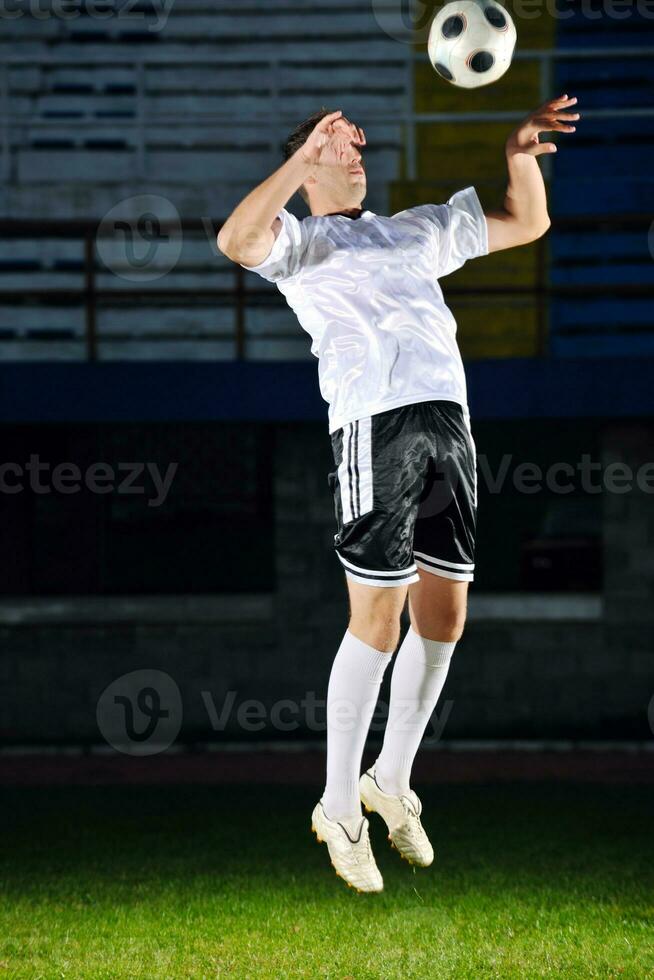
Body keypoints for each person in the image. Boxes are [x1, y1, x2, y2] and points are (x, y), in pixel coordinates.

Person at [217, 95, 579, 893]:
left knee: (444, 618)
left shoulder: (414, 226)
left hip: (449, 422)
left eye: (354, 142)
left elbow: (527, 222)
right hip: (372, 428)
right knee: (377, 622)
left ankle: (392, 780)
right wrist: (301, 157)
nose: (357, 150)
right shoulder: (298, 243)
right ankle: (339, 806)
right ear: (309, 161)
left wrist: (520, 153)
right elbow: (235, 240)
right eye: (338, 144)